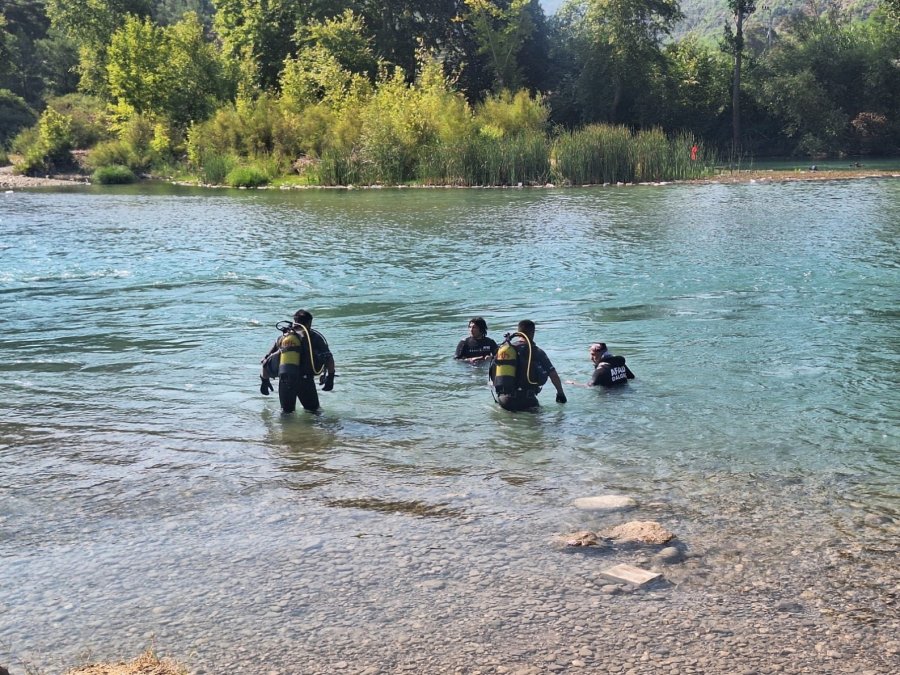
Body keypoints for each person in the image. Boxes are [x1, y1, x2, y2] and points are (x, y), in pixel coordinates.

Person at [261, 310, 335, 413]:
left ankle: (286, 429)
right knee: (314, 413)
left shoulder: (284, 337)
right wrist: (330, 378)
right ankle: (316, 429)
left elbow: (266, 361)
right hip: (305, 380)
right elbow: (329, 358)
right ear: (309, 323)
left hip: (285, 381)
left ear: (294, 321)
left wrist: (264, 381)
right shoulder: (313, 337)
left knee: (286, 414)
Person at [491, 319, 566, 411]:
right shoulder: (536, 351)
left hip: (504, 400)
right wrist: (560, 393)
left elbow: (494, 373)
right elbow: (553, 375)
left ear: (518, 332)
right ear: (533, 332)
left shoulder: (505, 350)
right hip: (527, 401)